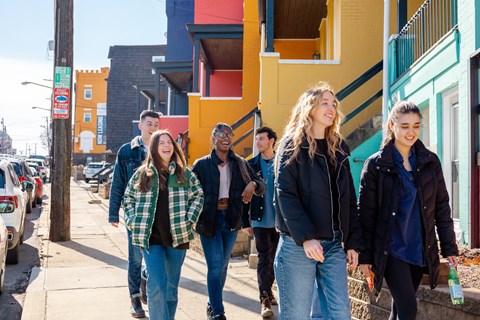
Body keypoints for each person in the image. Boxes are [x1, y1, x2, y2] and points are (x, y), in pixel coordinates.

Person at [358, 100, 459, 320]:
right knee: (408, 309)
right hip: (391, 248)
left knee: (399, 309)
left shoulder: (430, 162)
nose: (411, 132)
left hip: (419, 247)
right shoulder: (376, 165)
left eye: (415, 125)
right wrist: (365, 256)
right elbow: (365, 214)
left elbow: (441, 207)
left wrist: (449, 248)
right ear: (392, 126)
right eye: (404, 126)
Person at [274, 81, 363, 320]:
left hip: (334, 243)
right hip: (298, 245)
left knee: (340, 314)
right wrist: (307, 238)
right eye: (324, 102)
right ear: (309, 108)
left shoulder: (340, 148)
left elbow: (348, 198)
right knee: (297, 315)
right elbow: (285, 194)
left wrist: (353, 242)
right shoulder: (292, 145)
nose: (331, 107)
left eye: (333, 103)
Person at [123, 130, 204, 320]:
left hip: (178, 237)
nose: (167, 146)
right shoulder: (142, 174)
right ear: (154, 148)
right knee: (157, 285)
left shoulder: (185, 174)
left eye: (169, 142)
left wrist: (190, 220)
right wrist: (133, 222)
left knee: (170, 290)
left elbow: (198, 195)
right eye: (161, 143)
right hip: (150, 238)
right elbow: (128, 199)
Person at [192, 122, 265, 320]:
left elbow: (261, 185)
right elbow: (189, 191)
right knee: (215, 267)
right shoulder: (202, 164)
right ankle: (218, 312)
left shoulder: (240, 163)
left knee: (223, 266)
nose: (226, 138)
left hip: (231, 221)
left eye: (230, 135)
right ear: (213, 138)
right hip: (209, 221)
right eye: (221, 134)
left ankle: (211, 304)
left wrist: (252, 183)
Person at [108, 110, 161, 318]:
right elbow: (118, 183)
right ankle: (135, 299)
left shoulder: (163, 149)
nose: (153, 128)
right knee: (136, 258)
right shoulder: (127, 151)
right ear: (140, 126)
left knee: (155, 256)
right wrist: (113, 213)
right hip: (136, 215)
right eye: (149, 123)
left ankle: (146, 278)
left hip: (159, 214)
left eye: (156, 124)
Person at [241, 126, 279, 318]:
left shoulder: (283, 161)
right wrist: (244, 222)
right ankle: (264, 299)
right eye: (257, 139)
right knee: (264, 258)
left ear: (271, 140)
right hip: (259, 220)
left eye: (261, 139)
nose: (258, 143)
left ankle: (269, 290)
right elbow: (243, 195)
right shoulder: (251, 164)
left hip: (281, 222)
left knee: (275, 259)